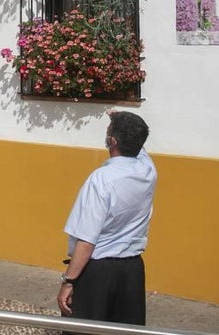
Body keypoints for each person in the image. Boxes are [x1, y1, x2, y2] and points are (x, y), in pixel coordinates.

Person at [57, 111, 156, 330]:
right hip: (131, 269)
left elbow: (87, 239)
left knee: (84, 330)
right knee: (124, 331)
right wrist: (123, 121)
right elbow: (140, 147)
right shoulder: (148, 170)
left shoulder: (101, 179)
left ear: (112, 141)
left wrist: (69, 281)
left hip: (97, 271)